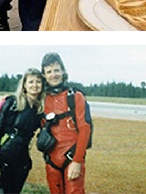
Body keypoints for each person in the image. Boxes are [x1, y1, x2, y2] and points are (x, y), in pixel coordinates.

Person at [0, 69, 45, 194]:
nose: (35, 85)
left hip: (20, 163)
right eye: (31, 82)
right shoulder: (11, 103)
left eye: (38, 82)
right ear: (24, 85)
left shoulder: (40, 110)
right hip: (2, 159)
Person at [41, 52, 91, 194]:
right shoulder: (42, 99)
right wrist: (7, 99)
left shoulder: (75, 97)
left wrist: (76, 161)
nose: (54, 75)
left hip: (72, 158)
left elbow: (85, 129)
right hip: (51, 161)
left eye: (56, 70)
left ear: (63, 71)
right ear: (44, 75)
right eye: (49, 71)